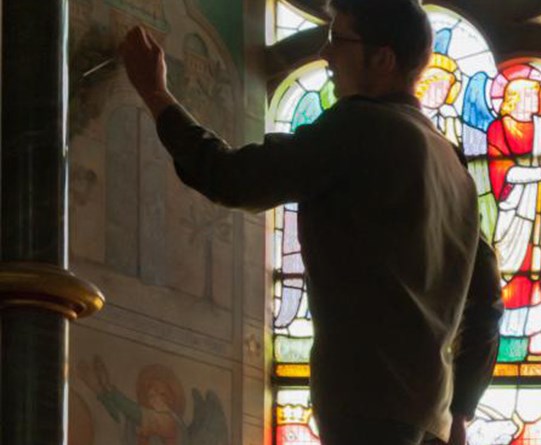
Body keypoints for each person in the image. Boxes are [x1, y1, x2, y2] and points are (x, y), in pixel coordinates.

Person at [117, 0, 504, 443]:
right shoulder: (452, 163)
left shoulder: (361, 126)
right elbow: (488, 303)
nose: (326, 55)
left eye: (338, 40)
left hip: (365, 407)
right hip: (429, 415)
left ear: (383, 58)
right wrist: (460, 410)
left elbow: (235, 179)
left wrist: (157, 97)